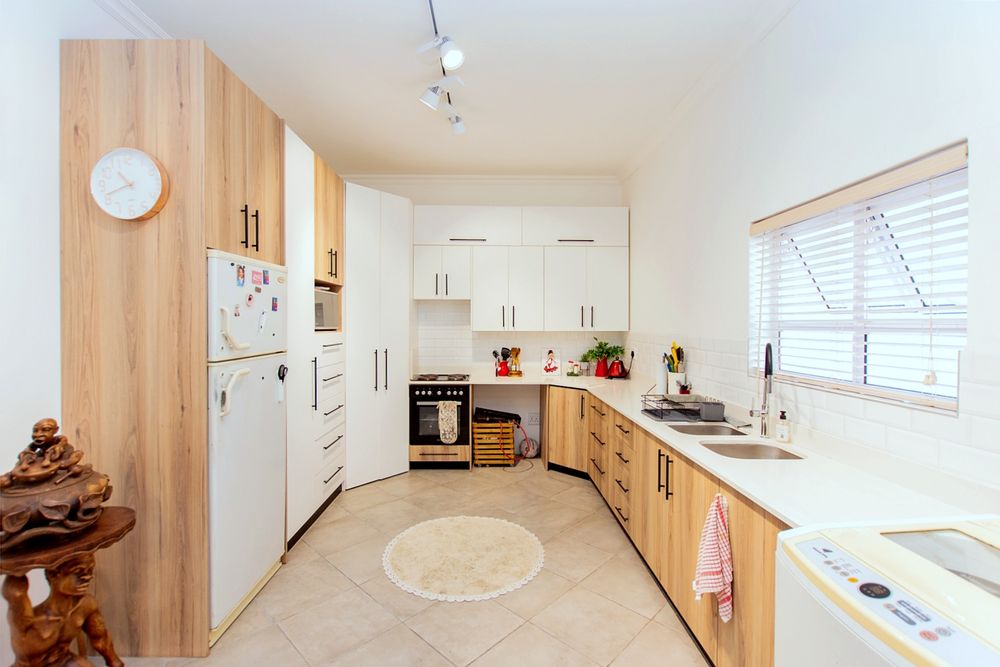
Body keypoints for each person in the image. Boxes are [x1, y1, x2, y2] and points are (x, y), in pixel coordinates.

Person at [2, 553, 124, 667]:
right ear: (53, 575)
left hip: (63, 660)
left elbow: (101, 639)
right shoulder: (27, 621)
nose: (88, 577)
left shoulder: (85, 606)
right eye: (78, 572)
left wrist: (115, 663)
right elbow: (15, 591)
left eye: (90, 570)